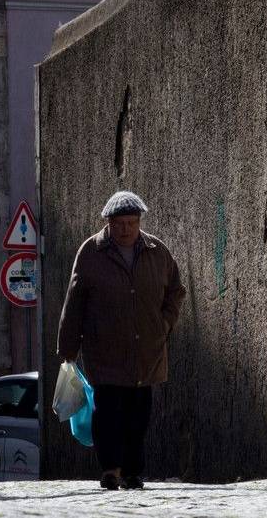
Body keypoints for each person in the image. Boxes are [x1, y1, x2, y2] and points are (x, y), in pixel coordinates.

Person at [57, 191, 186, 490]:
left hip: (146, 351)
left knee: (138, 415)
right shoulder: (91, 252)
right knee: (108, 413)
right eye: (120, 224)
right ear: (109, 223)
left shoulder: (156, 250)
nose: (126, 229)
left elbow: (176, 291)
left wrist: (164, 323)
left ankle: (132, 471)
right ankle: (111, 469)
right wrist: (68, 349)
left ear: (139, 222)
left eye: (132, 223)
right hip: (105, 350)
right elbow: (74, 301)